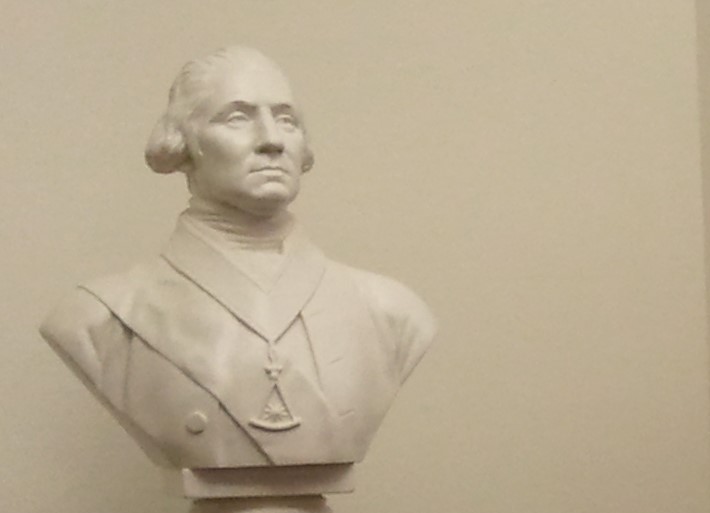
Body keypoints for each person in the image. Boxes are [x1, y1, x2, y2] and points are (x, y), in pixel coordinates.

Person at [40, 46, 434, 471]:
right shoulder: (100, 318)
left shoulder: (391, 312)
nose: (271, 140)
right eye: (237, 117)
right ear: (183, 143)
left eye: (287, 119)